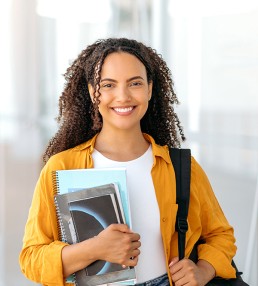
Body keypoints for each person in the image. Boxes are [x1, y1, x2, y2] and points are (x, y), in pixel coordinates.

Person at [19, 38, 237, 286]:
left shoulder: (180, 167)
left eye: (134, 83)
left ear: (149, 89)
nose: (122, 96)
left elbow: (220, 235)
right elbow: (31, 257)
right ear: (93, 92)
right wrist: (95, 249)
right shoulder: (61, 168)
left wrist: (203, 271)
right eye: (109, 85)